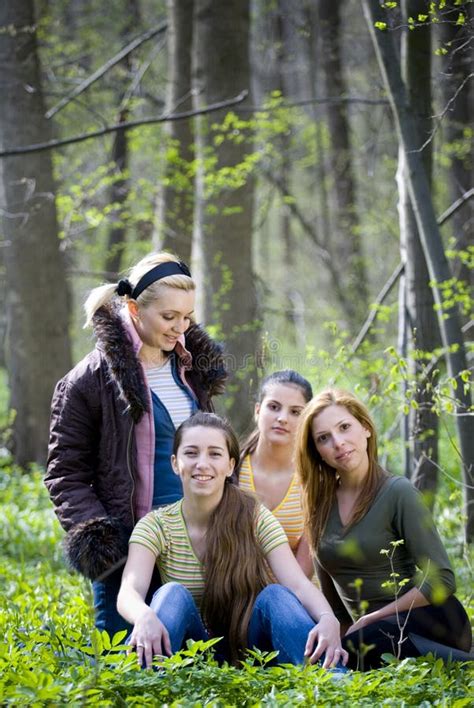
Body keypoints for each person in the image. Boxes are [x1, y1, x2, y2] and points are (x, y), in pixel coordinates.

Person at [45, 252, 227, 638]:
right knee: (125, 670)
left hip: (197, 547)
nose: (180, 328)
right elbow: (65, 473)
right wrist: (104, 542)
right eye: (168, 317)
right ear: (133, 308)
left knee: (198, 668)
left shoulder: (192, 370)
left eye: (187, 317)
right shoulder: (86, 381)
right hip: (130, 553)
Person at [117, 412, 348, 670]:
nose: (202, 464)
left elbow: (297, 585)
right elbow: (129, 591)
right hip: (189, 655)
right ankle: (142, 684)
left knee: (276, 595)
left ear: (230, 466)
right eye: (191, 453)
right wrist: (143, 614)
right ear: (175, 463)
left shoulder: (255, 518)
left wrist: (328, 618)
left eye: (214, 454)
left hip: (251, 650)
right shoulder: (156, 525)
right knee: (171, 594)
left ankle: (333, 680)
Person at [295, 388, 472, 670]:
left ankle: (464, 662)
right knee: (322, 652)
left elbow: (442, 580)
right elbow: (335, 603)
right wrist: (336, 637)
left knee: (363, 643)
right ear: (317, 452)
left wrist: (371, 619)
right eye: (324, 438)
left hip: (433, 619)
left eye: (344, 427)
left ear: (365, 428)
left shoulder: (397, 492)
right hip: (369, 635)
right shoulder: (318, 507)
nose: (338, 443)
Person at [237, 370, 314, 577]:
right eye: (273, 407)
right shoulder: (230, 470)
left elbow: (301, 577)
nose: (282, 418)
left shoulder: (314, 481)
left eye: (295, 412)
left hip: (295, 599)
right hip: (237, 597)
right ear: (257, 411)